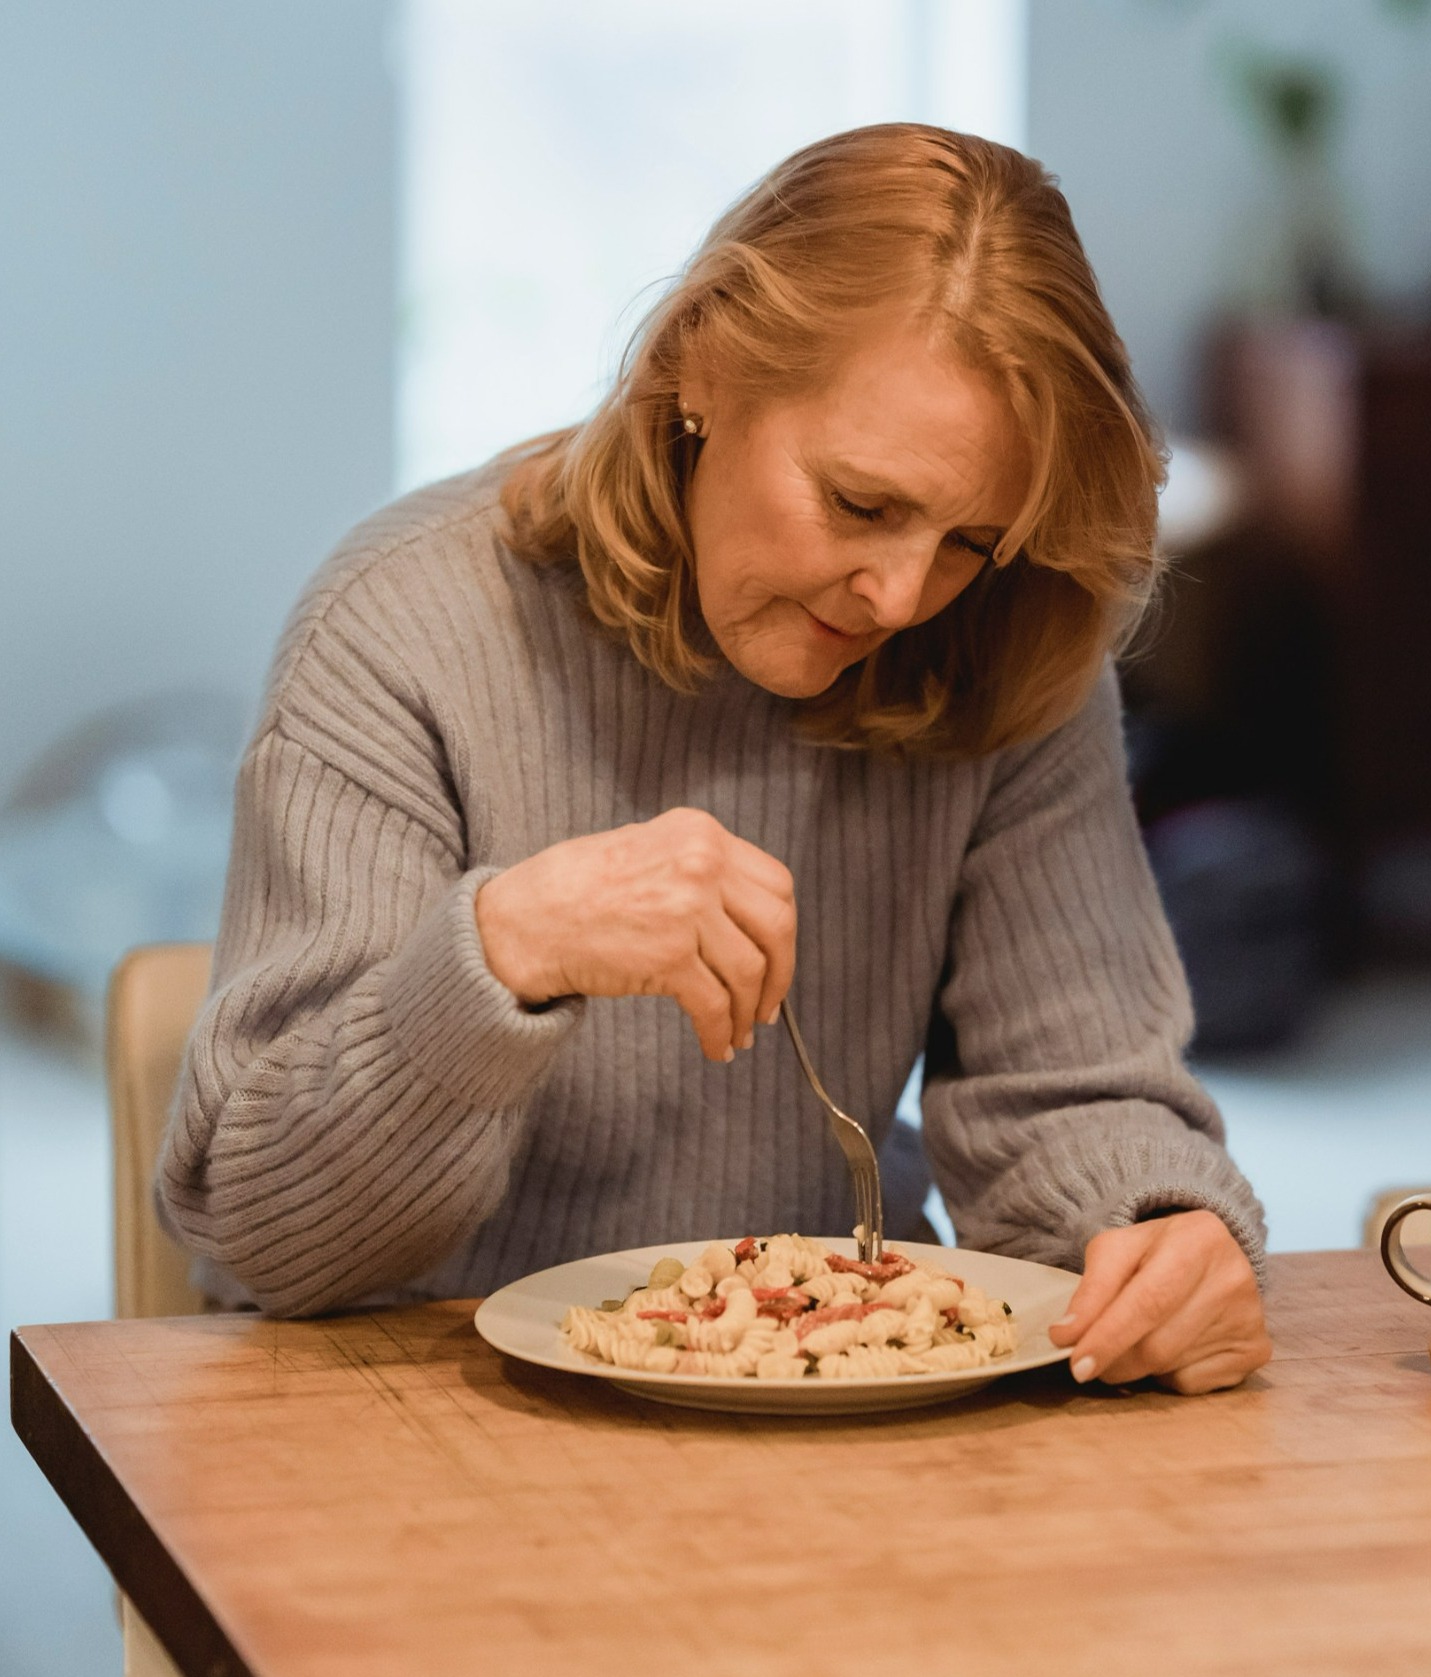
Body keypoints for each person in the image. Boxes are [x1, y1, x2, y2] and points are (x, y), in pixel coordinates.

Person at [157, 125, 1271, 1394]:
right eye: (861, 504)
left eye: (970, 539)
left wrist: (1148, 1235)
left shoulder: (1002, 646)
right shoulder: (399, 628)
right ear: (704, 365)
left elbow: (1068, 1093)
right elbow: (264, 1232)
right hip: (416, 1411)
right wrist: (503, 952)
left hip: (827, 1411)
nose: (903, 596)